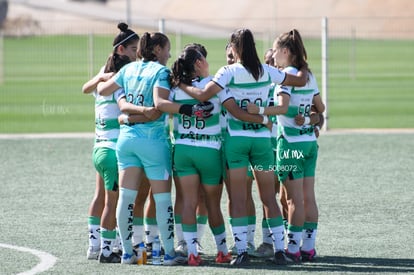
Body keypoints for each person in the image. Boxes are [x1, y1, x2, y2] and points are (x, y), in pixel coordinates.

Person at [179, 28, 308, 266]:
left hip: (236, 141)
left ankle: (242, 252)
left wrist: (181, 83)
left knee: (238, 199)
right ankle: (280, 251)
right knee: (269, 198)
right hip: (261, 141)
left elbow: (202, 95)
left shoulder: (228, 71)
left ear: (235, 48)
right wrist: (301, 61)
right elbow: (299, 80)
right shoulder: (267, 70)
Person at [97, 32, 211, 265]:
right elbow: (160, 105)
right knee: (161, 200)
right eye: (167, 49)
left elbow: (102, 90)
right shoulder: (161, 72)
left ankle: (128, 253)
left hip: (126, 141)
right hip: (154, 142)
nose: (169, 54)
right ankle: (169, 253)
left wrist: (128, 109)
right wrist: (190, 110)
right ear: (157, 49)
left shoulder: (128, 69)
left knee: (126, 198)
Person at [247, 29, 325, 263]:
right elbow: (320, 108)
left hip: (290, 144)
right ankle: (308, 247)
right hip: (309, 143)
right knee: (308, 197)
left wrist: (258, 110)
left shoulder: (286, 77)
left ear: (285, 51)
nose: (274, 58)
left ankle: (292, 249)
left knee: (293, 201)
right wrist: (310, 119)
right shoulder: (308, 75)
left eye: (276, 51)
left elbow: (281, 107)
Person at [169, 44, 238, 266]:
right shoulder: (214, 86)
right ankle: (222, 251)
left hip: (182, 149)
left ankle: (192, 253)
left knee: (187, 202)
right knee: (212, 204)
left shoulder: (175, 89)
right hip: (209, 150)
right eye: (204, 60)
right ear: (198, 63)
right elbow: (232, 110)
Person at [82, 22, 139, 263]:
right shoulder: (119, 80)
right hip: (114, 151)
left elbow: (85, 88)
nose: (137, 53)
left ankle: (94, 245)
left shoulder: (102, 78)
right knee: (113, 202)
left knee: (100, 196)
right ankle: (107, 249)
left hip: (99, 148)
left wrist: (99, 76)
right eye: (133, 49)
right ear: (121, 51)